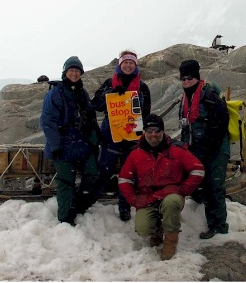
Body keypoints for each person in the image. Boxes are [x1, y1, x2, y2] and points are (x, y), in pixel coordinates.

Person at [118, 114, 204, 260]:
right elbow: (124, 179)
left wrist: (183, 190)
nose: (153, 134)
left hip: (171, 195)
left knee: (171, 203)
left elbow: (198, 170)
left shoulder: (176, 150)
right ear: (144, 132)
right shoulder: (136, 154)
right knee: (143, 229)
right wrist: (134, 200)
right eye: (149, 130)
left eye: (157, 130)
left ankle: (170, 241)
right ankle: (156, 230)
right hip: (148, 198)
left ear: (163, 132)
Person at [91, 50, 151, 221]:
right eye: (125, 62)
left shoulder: (143, 87)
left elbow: (146, 112)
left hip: (132, 138)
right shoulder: (109, 83)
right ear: (120, 64)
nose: (128, 65)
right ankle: (89, 201)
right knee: (104, 170)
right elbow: (95, 104)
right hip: (111, 137)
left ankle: (124, 207)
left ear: (135, 65)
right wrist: (108, 95)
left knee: (128, 174)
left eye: (131, 63)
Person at [40, 56, 100, 225]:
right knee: (66, 181)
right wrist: (56, 145)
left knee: (92, 174)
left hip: (81, 142)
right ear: (65, 72)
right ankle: (66, 218)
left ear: (81, 73)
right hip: (63, 143)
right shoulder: (55, 92)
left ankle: (78, 206)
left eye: (77, 70)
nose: (74, 73)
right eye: (71, 70)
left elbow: (90, 116)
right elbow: (48, 121)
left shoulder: (82, 92)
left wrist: (94, 139)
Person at [177, 59, 230, 239]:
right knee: (198, 184)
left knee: (214, 186)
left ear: (197, 77)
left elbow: (222, 121)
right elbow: (186, 128)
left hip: (215, 149)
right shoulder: (185, 99)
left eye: (190, 78)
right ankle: (202, 208)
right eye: (183, 79)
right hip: (196, 149)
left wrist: (211, 147)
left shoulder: (209, 95)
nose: (186, 82)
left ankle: (219, 228)